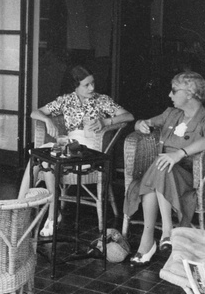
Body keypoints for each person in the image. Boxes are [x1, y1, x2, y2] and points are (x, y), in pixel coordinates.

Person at [19, 65, 134, 237]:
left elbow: (128, 116)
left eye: (92, 83)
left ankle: (45, 215)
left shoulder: (101, 100)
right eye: (86, 85)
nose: (92, 88)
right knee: (40, 157)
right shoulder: (66, 100)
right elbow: (35, 113)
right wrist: (47, 120)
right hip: (70, 146)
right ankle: (23, 210)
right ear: (75, 86)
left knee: (47, 159)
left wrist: (105, 122)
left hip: (90, 153)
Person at [124, 72, 205, 266]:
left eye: (174, 91)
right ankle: (165, 233)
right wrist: (140, 125)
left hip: (189, 176)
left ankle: (150, 239)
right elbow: (142, 122)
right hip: (162, 170)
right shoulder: (171, 114)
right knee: (162, 166)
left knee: (161, 167)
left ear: (190, 94)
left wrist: (179, 154)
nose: (170, 95)